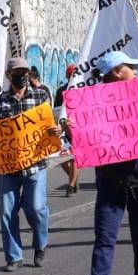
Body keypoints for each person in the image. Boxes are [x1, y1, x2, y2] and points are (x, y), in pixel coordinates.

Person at [81, 51, 138, 275]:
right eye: (130, 67)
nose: (136, 72)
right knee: (104, 239)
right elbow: (85, 137)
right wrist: (72, 130)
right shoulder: (90, 104)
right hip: (110, 183)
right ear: (115, 72)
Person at [0, 57, 61, 271]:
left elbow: (50, 125)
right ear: (9, 76)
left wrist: (56, 131)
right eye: (17, 72)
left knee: (36, 208)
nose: (22, 75)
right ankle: (14, 257)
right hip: (8, 168)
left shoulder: (41, 96)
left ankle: (40, 245)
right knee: (7, 212)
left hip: (35, 164)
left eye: (25, 71)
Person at [53, 64, 82, 196]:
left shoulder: (81, 89)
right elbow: (56, 110)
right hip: (63, 128)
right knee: (63, 158)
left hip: (76, 128)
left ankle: (70, 186)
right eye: (70, 75)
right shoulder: (60, 91)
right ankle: (74, 178)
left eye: (73, 75)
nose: (72, 78)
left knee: (73, 157)